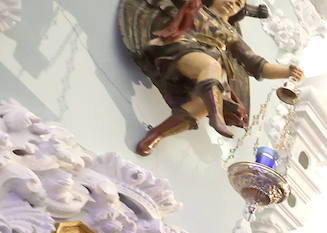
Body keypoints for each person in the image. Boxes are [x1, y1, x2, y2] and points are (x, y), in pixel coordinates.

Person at [117, 0, 303, 155]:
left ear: (239, 11)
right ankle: (216, 116)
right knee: (211, 67)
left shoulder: (231, 34)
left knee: (205, 99)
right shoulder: (195, 7)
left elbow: (258, 65)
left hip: (210, 69)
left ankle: (156, 135)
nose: (232, 2)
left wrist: (287, 71)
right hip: (180, 48)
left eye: (239, 3)